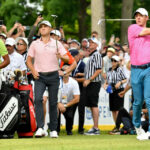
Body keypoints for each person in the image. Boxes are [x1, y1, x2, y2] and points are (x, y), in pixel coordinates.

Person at [26, 20, 69, 138]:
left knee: (53, 103)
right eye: (41, 27)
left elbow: (67, 59)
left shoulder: (57, 43)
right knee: (38, 99)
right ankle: (40, 128)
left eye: (45, 26)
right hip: (39, 76)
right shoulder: (35, 43)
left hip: (53, 75)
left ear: (50, 29)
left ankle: (53, 129)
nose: (43, 28)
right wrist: (33, 71)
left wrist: (61, 57)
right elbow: (28, 60)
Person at [128, 7, 150, 140]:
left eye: (142, 16)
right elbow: (146, 31)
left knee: (149, 99)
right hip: (135, 70)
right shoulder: (133, 28)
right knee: (137, 102)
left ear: (147, 18)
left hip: (148, 69)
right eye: (137, 15)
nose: (138, 18)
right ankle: (137, 126)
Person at [83, 37, 102, 135]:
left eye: (92, 42)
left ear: (97, 45)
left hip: (94, 82)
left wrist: (89, 80)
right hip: (90, 82)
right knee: (91, 105)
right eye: (89, 42)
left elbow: (99, 70)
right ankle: (95, 127)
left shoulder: (97, 55)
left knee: (94, 104)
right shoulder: (92, 55)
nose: (90, 43)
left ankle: (96, 128)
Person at [57, 65, 80, 135]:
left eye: (67, 70)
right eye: (63, 70)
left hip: (70, 103)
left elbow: (77, 98)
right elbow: (52, 96)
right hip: (58, 102)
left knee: (69, 116)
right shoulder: (57, 82)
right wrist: (58, 104)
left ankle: (69, 129)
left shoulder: (74, 82)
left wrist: (65, 105)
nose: (65, 72)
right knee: (55, 112)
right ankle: (56, 130)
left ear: (70, 72)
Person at [104, 55, 127, 123]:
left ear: (117, 62)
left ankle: (118, 126)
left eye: (115, 61)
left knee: (118, 109)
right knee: (113, 109)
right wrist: (106, 85)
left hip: (119, 90)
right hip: (111, 90)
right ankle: (116, 125)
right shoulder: (109, 70)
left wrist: (120, 82)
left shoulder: (119, 69)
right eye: (112, 60)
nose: (113, 62)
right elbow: (107, 81)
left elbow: (125, 79)